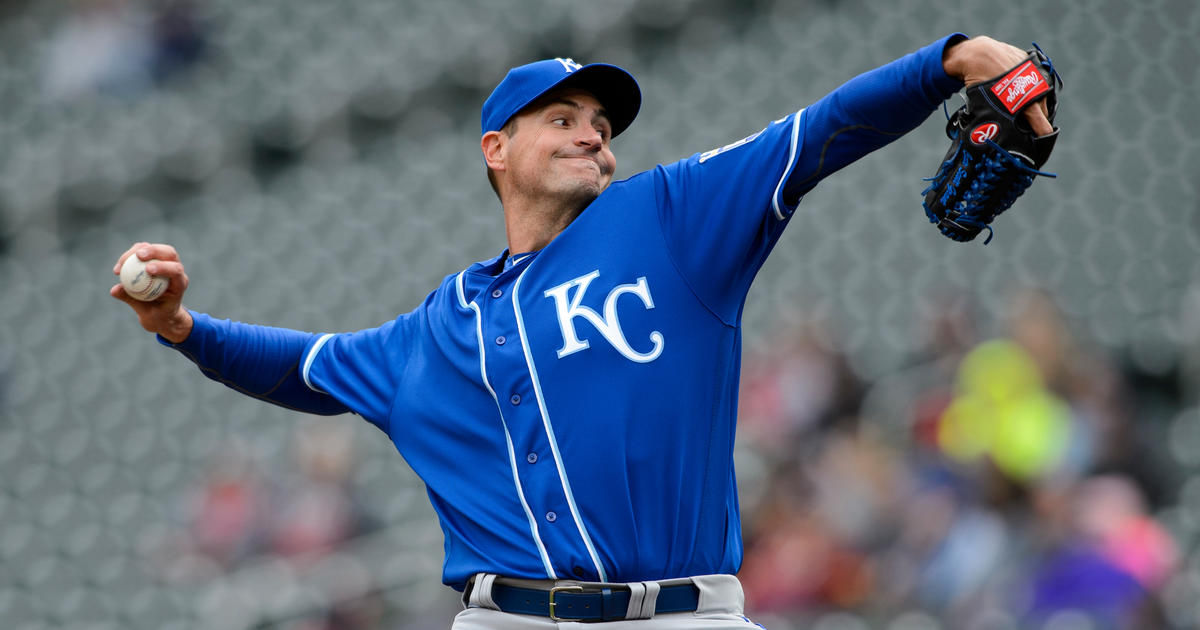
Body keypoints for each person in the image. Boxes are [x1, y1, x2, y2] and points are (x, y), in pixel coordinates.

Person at [112, 33, 1055, 629]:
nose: (593, 135)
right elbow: (306, 369)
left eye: (601, 124)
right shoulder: (440, 328)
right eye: (560, 118)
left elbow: (813, 134)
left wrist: (951, 61)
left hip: (685, 615)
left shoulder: (668, 216)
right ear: (497, 150)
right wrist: (181, 325)